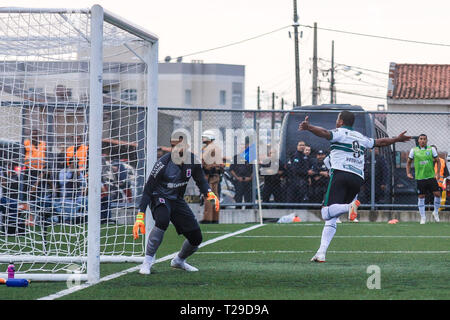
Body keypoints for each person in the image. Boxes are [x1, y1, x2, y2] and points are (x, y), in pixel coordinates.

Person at [299, 110, 410, 262]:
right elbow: (380, 142)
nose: (336, 122)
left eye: (337, 119)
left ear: (341, 121)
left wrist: (309, 127)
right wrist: (396, 138)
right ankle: (321, 252)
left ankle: (349, 207)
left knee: (325, 213)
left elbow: (325, 133)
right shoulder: (360, 137)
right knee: (332, 218)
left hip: (340, 174)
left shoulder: (340, 132)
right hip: (357, 178)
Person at [134, 136, 219, 275]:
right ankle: (147, 262)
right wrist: (140, 215)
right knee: (162, 220)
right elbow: (148, 189)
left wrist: (209, 193)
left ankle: (179, 261)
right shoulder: (163, 163)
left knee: (196, 238)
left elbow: (201, 180)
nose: (176, 149)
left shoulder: (193, 161)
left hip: (177, 199)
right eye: (173, 146)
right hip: (159, 197)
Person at [406, 135, 442, 224]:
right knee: (421, 196)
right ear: (418, 140)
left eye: (424, 139)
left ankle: (436, 212)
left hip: (431, 177)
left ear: (427, 140)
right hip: (420, 178)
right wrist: (408, 173)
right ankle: (423, 217)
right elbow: (408, 163)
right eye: (421, 139)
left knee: (437, 194)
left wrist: (437, 173)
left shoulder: (431, 149)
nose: (422, 140)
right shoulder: (414, 150)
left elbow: (438, 161)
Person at [200, 130, 224, 224]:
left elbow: (202, 159)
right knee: (215, 196)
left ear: (209, 138)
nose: (202, 138)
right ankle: (215, 218)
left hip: (209, 175)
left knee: (208, 195)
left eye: (204, 137)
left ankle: (207, 218)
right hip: (215, 175)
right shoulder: (215, 147)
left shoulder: (209, 148)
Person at [229, 142, 253, 209]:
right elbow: (231, 169)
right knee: (238, 197)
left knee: (248, 198)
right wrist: (237, 177)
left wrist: (250, 177)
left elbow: (255, 169)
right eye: (241, 148)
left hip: (248, 181)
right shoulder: (236, 157)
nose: (243, 149)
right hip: (238, 181)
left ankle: (249, 208)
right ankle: (238, 208)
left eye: (244, 148)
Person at [431, 145, 449, 212]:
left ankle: (436, 213)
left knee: (437, 201)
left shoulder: (442, 161)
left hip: (438, 185)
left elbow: (446, 174)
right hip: (428, 185)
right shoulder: (427, 161)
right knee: (428, 201)